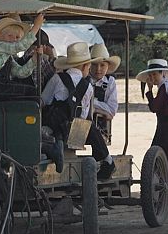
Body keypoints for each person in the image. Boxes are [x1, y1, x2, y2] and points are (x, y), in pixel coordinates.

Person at [46, 42, 116, 179]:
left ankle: (57, 143)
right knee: (87, 124)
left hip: (55, 128)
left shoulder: (56, 79)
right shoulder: (88, 87)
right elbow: (85, 115)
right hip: (77, 133)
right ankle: (107, 159)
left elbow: (44, 101)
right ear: (85, 66)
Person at [137, 59, 168, 209]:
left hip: (167, 129)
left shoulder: (164, 88)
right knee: (167, 162)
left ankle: (166, 197)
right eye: (151, 75)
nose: (152, 77)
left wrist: (149, 92)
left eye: (155, 74)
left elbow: (155, 107)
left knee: (161, 162)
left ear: (162, 73)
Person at [0, 14, 49, 98]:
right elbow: (20, 46)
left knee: (31, 91)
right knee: (31, 91)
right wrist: (36, 26)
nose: (13, 40)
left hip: (0, 83)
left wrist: (34, 59)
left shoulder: (8, 57)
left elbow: (20, 72)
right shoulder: (0, 46)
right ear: (0, 36)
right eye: (10, 36)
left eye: (17, 37)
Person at [87, 43, 120, 144]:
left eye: (102, 65)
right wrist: (102, 110)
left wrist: (93, 106)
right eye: (94, 65)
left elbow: (111, 111)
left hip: (101, 128)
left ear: (108, 66)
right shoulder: (83, 80)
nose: (98, 69)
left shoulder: (110, 82)